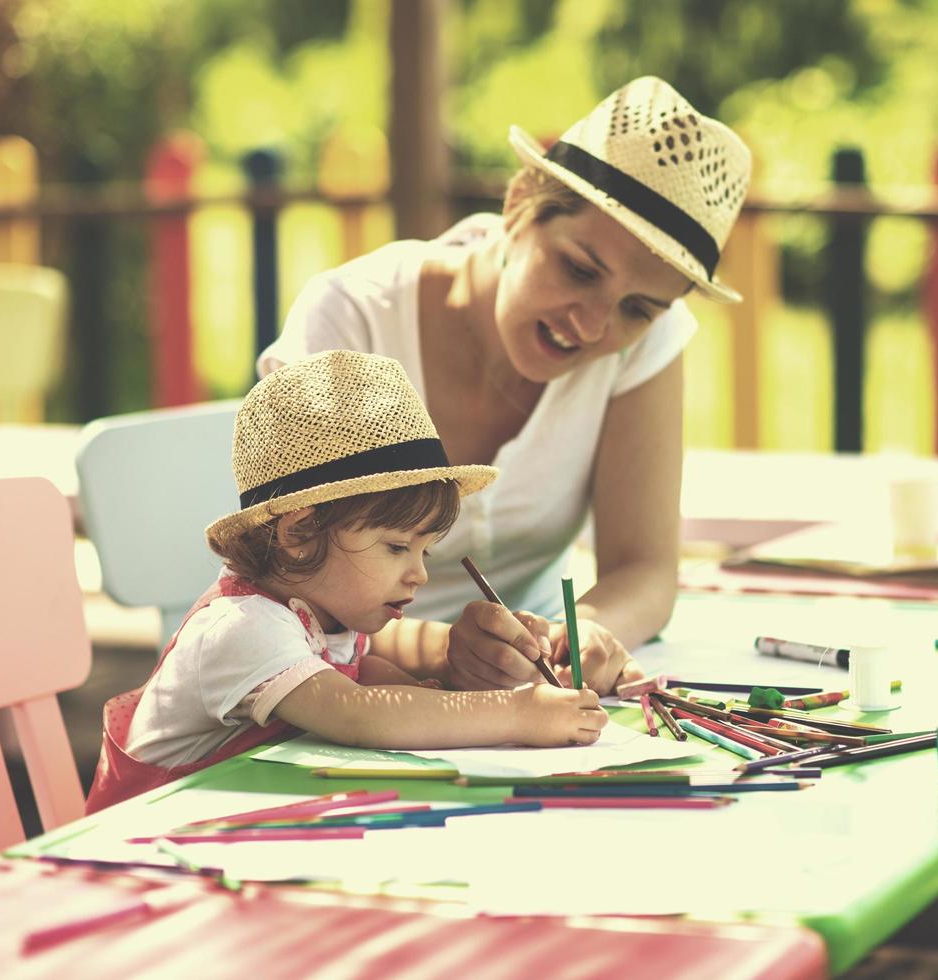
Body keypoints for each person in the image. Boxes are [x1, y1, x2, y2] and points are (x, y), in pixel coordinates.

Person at [260, 76, 752, 697]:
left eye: (637, 309)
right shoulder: (352, 317)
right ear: (519, 203)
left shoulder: (649, 342)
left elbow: (645, 569)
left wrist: (585, 636)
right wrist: (446, 652)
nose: (592, 325)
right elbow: (292, 588)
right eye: (578, 269)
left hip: (526, 699)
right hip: (339, 693)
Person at [86, 350, 607, 812]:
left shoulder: (318, 610)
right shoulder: (243, 626)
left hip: (229, 829)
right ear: (300, 532)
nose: (419, 572)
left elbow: (373, 667)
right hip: (141, 846)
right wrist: (516, 714)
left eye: (425, 549)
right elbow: (356, 713)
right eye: (397, 547)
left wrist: (456, 678)